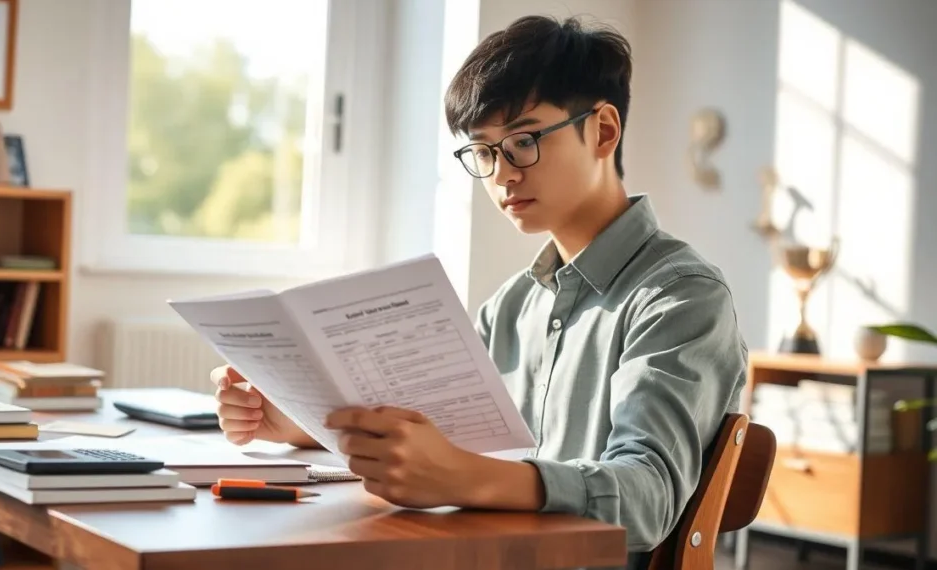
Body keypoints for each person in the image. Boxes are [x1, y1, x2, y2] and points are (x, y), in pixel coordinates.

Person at [211, 13, 747, 568]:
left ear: (604, 131)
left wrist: (465, 476)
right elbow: (438, 439)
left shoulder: (680, 297)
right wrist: (295, 424)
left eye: (522, 141)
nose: (502, 175)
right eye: (484, 151)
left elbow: (648, 498)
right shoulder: (513, 305)